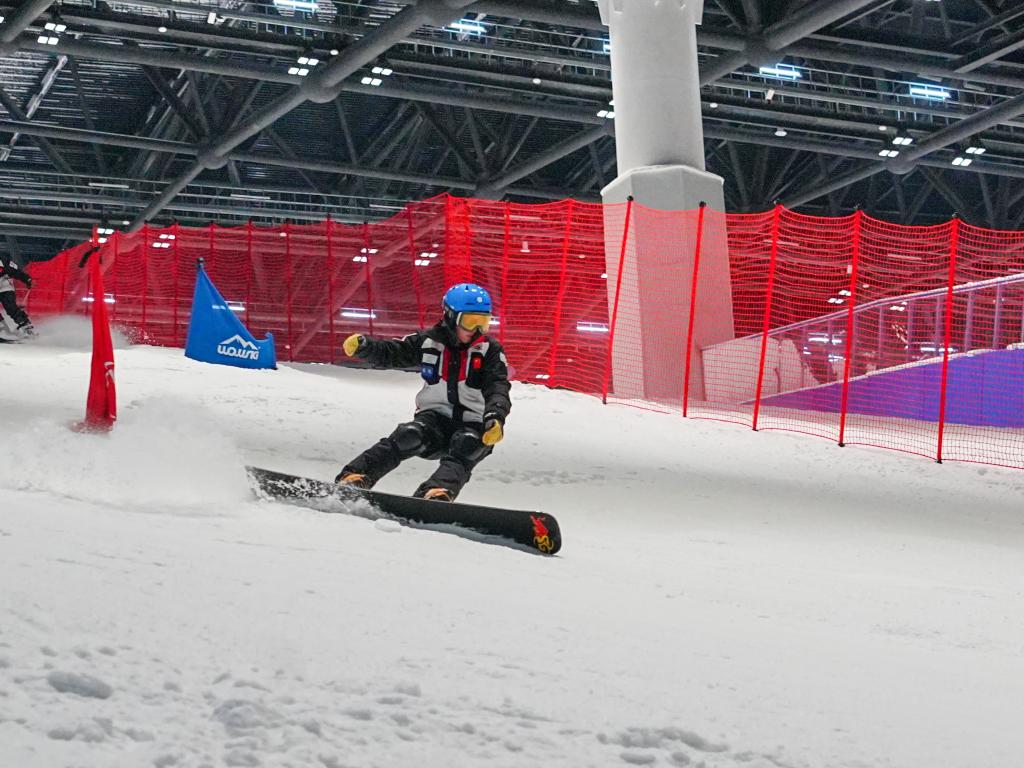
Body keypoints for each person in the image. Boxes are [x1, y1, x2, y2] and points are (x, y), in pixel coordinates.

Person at [336, 283, 511, 502]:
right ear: (450, 316)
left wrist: (495, 417)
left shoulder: (489, 350)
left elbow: (498, 386)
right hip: (434, 420)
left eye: (483, 323)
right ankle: (356, 476)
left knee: (468, 445)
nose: (475, 331)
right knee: (409, 435)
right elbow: (394, 352)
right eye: (470, 322)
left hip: (474, 423)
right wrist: (366, 348)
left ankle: (436, 493)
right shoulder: (428, 342)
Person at [0, 255, 34, 336]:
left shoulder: (3, 261)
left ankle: (27, 329)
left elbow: (16, 271)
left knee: (10, 307)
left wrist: (27, 279)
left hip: (4, 287)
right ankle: (3, 329)